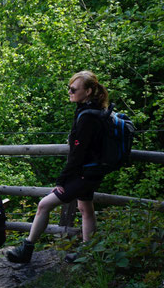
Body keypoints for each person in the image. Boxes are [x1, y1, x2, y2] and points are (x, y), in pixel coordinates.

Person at [7, 70, 109, 264]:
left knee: (44, 205)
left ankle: (26, 250)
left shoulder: (88, 117)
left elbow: (78, 154)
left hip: (85, 173)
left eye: (73, 89)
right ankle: (89, 254)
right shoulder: (92, 110)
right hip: (92, 171)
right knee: (85, 208)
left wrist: (62, 180)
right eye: (69, 88)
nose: (69, 92)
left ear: (88, 91)